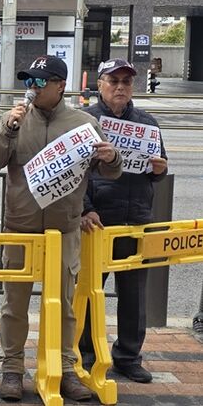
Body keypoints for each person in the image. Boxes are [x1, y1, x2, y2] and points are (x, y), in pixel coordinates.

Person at [0, 55, 122, 402]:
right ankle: (12, 369)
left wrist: (112, 158)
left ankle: (64, 368)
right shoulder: (15, 119)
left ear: (60, 86)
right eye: (28, 81)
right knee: (14, 305)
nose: (32, 87)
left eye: (40, 81)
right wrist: (8, 128)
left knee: (63, 304)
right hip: (20, 229)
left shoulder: (84, 123)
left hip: (64, 229)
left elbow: (109, 172)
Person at [79, 58, 168, 383]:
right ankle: (86, 355)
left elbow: (158, 169)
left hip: (136, 219)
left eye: (126, 82)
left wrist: (160, 170)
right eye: (113, 81)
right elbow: (74, 174)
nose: (120, 87)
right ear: (100, 84)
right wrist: (85, 209)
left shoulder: (147, 123)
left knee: (134, 295)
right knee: (90, 291)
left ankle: (129, 357)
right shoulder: (86, 121)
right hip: (98, 221)